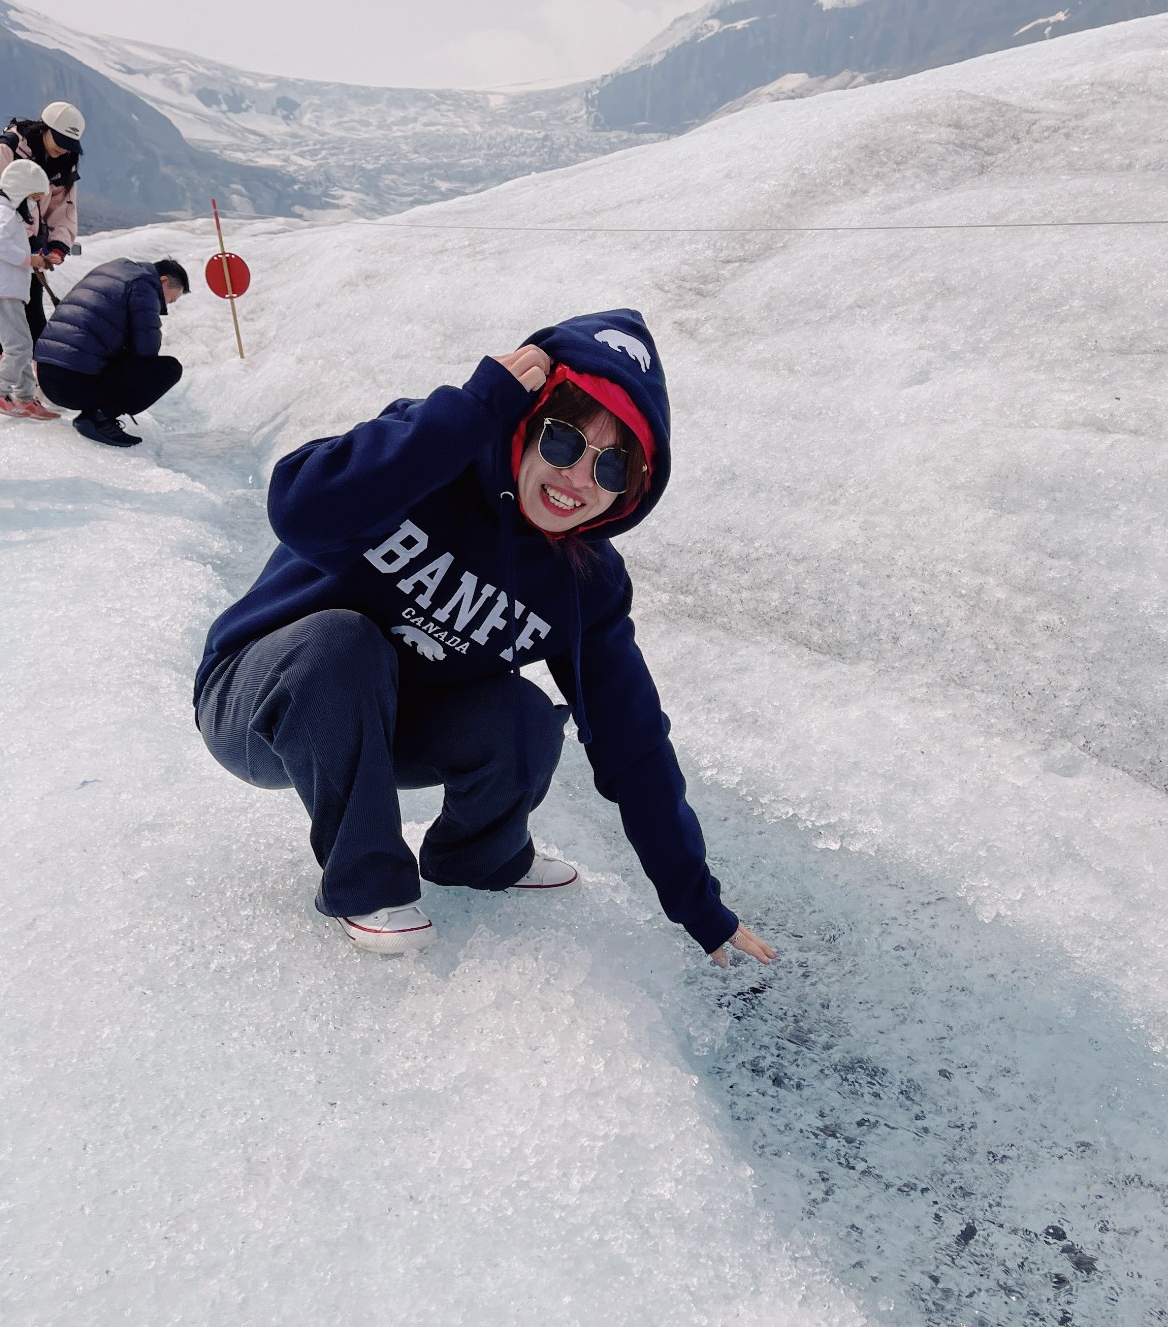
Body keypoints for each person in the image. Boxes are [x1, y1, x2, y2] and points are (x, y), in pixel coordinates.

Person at [193, 309, 778, 968]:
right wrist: (466, 413)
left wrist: (696, 903)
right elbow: (299, 509)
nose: (579, 478)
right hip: (260, 707)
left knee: (525, 716)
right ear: (527, 423)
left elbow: (632, 742)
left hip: (388, 728)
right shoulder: (431, 453)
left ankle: (479, 859)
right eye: (562, 441)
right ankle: (366, 883)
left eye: (613, 468)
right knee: (342, 640)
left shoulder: (586, 583)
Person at [0, 102, 84, 364]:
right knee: (23, 315)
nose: (64, 148)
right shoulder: (6, 149)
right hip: (6, 246)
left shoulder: (65, 161)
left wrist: (58, 245)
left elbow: (63, 208)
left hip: (29, 246)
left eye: (70, 143)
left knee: (17, 315)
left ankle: (4, 385)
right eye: (61, 140)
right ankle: (27, 386)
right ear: (45, 128)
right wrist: (26, 246)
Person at [34, 257, 189, 447]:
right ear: (163, 281)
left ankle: (97, 413)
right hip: (73, 385)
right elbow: (147, 349)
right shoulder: (145, 284)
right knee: (168, 369)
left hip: (46, 377)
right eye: (169, 299)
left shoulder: (113, 269)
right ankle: (98, 418)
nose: (164, 306)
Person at [0, 159, 60, 420]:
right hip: (1, 288)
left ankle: (26, 396)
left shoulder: (5, 212)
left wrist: (30, 259)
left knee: (23, 344)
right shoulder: (2, 213)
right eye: (32, 196)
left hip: (5, 287)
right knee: (18, 345)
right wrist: (29, 259)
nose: (34, 202)